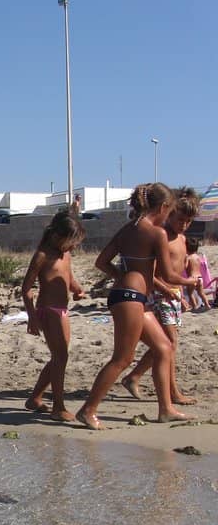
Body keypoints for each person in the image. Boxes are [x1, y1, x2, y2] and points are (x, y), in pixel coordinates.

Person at [76, 183, 199, 430]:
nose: (168, 216)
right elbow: (168, 274)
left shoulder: (127, 229)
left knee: (163, 348)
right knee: (122, 358)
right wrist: (190, 281)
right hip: (131, 298)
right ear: (163, 207)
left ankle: (166, 410)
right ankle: (88, 410)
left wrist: (122, 276)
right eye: (170, 211)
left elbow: (101, 262)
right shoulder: (157, 233)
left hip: (126, 294)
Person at [119, 187, 201, 406]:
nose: (184, 224)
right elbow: (153, 274)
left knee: (164, 345)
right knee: (169, 343)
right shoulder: (160, 235)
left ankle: (134, 376)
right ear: (169, 212)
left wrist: (188, 284)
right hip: (159, 295)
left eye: (189, 221)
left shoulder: (181, 239)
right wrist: (168, 289)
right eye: (180, 219)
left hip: (174, 295)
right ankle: (172, 393)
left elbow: (183, 267)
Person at [20, 211, 86, 421]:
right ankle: (58, 406)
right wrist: (32, 317)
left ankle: (35, 398)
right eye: (71, 242)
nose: (73, 247)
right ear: (57, 236)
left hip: (62, 310)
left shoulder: (65, 255)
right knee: (60, 357)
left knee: (59, 357)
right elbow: (26, 289)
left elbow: (69, 278)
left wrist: (78, 289)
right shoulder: (42, 255)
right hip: (48, 310)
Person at [184, 236, 209, 311]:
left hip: (192, 278)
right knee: (201, 293)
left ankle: (194, 306)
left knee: (190, 293)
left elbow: (185, 266)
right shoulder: (198, 257)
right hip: (200, 278)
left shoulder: (188, 257)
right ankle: (207, 305)